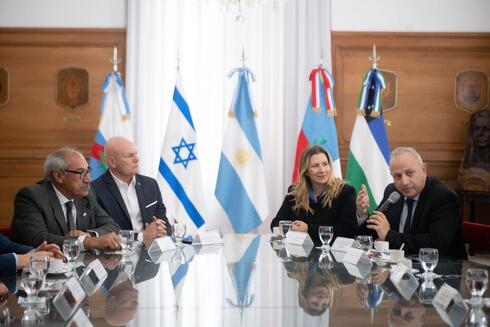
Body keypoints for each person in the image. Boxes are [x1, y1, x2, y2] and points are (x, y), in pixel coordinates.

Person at [356, 147, 466, 258]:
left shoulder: (444, 197)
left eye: (409, 173)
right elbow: (372, 231)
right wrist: (362, 213)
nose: (404, 182)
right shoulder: (393, 192)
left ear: (424, 169)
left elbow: (438, 244)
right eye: (397, 176)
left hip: (440, 269)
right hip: (397, 268)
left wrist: (389, 236)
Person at [10, 147, 120, 250]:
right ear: (58, 176)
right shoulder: (32, 196)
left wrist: (89, 235)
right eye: (80, 173)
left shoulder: (86, 195)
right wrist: (86, 242)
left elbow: (112, 226)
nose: (88, 180)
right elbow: (37, 239)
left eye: (88, 172)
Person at [92, 136, 171, 244]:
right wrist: (142, 236)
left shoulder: (150, 184)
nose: (136, 159)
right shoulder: (95, 190)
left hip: (150, 253)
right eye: (129, 156)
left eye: (136, 154)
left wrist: (160, 230)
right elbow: (103, 232)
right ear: (112, 162)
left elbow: (164, 223)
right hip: (115, 256)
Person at [271, 145, 357, 244]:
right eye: (315, 166)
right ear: (306, 171)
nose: (322, 170)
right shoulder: (295, 191)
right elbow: (275, 223)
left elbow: (347, 231)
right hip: (298, 255)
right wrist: (288, 227)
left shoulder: (346, 192)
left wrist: (308, 229)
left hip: (333, 255)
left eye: (325, 164)